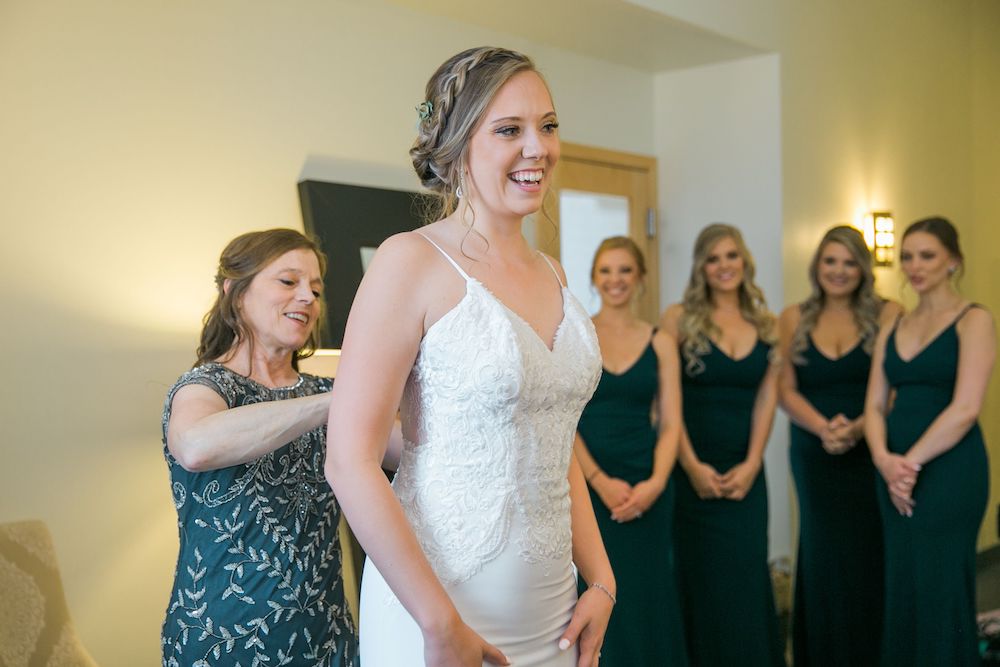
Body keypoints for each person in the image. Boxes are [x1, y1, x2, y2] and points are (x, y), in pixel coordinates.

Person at [324, 47, 614, 667]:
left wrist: (602, 581)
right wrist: (439, 625)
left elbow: (552, 446)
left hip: (556, 613)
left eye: (549, 125)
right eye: (509, 130)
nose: (538, 148)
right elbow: (350, 461)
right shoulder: (411, 262)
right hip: (438, 613)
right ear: (455, 147)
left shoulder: (555, 274)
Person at [160, 229, 357, 666]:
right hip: (219, 640)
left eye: (316, 289)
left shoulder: (328, 391)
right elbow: (194, 446)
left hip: (326, 640)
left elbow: (413, 451)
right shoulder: (205, 386)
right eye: (289, 282)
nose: (307, 296)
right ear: (235, 291)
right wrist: (337, 401)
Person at [864, 216, 995, 667]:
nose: (914, 267)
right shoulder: (893, 326)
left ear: (952, 262)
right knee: (903, 581)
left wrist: (909, 465)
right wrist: (884, 460)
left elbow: (965, 408)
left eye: (927, 256)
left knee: (940, 583)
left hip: (950, 471)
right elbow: (875, 407)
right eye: (907, 257)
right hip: (893, 472)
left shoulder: (973, 320)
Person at [659, 223, 785, 666]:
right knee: (701, 580)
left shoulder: (766, 323)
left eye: (731, 256)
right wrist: (690, 464)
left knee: (747, 578)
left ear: (744, 261)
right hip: (691, 471)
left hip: (747, 473)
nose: (723, 266)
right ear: (701, 267)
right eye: (713, 258)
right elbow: (665, 400)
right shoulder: (677, 319)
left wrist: (753, 462)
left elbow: (768, 398)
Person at [776, 225, 901, 666]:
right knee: (823, 551)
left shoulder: (889, 313)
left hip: (872, 450)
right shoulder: (794, 316)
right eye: (830, 261)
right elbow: (785, 389)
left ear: (863, 268)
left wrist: (860, 427)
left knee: (868, 550)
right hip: (813, 454)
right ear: (817, 266)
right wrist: (824, 428)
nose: (839, 271)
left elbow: (894, 387)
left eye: (849, 262)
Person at [574, 236, 689, 666]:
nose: (615, 279)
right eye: (606, 270)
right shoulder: (577, 333)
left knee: (649, 593)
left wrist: (656, 483)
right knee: (600, 591)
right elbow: (564, 421)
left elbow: (672, 421)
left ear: (639, 278)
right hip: (590, 486)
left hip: (650, 484)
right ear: (594, 278)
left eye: (625, 270)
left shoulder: (659, 341)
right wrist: (600, 483)